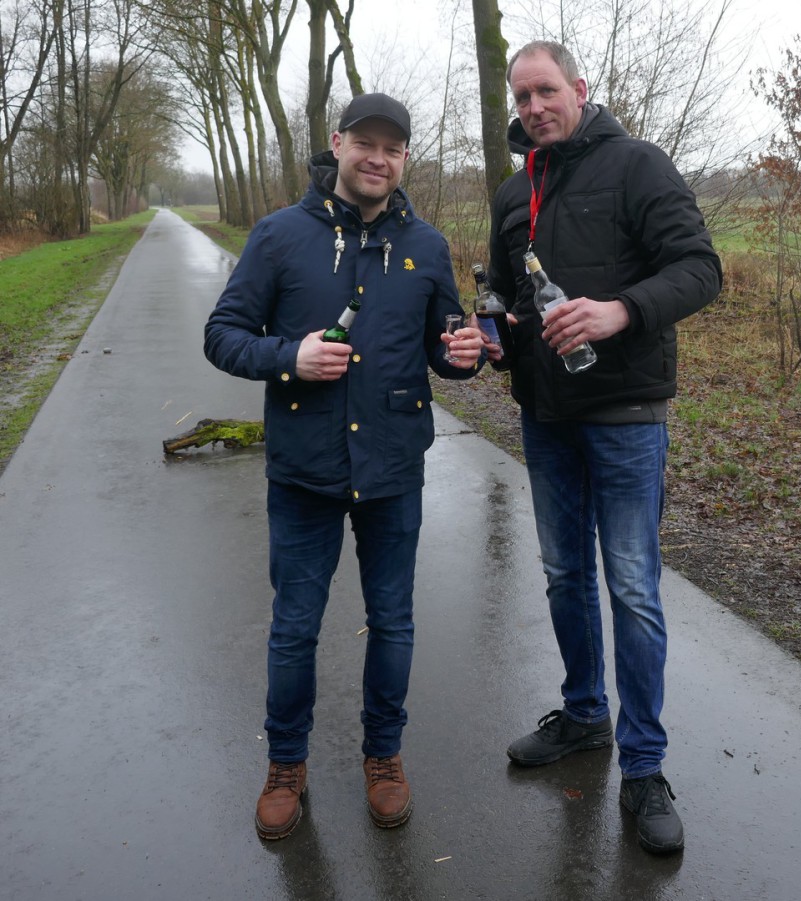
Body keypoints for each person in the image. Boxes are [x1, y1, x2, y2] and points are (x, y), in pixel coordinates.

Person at [204, 93, 485, 840]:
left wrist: (463, 355)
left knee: (392, 620)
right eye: (366, 143)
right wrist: (288, 356)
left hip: (393, 469)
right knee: (295, 626)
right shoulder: (279, 236)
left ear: (404, 159)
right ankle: (285, 764)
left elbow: (443, 346)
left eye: (393, 149)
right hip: (305, 471)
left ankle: (383, 756)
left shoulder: (427, 245)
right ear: (337, 144)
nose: (378, 159)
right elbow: (223, 334)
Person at [484, 41, 722, 855]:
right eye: (522, 96)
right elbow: (509, 298)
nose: (534, 107)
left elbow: (700, 269)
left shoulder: (638, 165)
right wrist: (492, 339)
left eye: (546, 90)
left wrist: (621, 310)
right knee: (563, 575)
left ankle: (644, 765)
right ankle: (585, 713)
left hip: (624, 415)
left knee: (632, 587)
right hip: (546, 417)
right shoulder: (514, 191)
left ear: (579, 88)